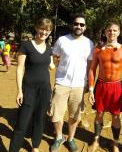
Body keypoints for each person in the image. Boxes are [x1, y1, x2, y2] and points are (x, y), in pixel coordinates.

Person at [9, 18, 55, 152]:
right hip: (28, 89)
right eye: (42, 28)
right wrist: (19, 91)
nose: (44, 32)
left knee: (40, 120)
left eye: (47, 30)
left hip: (45, 89)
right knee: (22, 123)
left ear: (50, 32)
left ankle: (35, 146)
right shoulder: (26, 45)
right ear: (36, 28)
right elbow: (20, 68)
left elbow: (51, 66)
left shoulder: (49, 48)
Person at [49, 14, 94, 152]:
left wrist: (88, 84)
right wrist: (53, 64)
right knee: (56, 114)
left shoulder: (89, 43)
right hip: (62, 82)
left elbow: (90, 65)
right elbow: (54, 56)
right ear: (72, 25)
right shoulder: (62, 40)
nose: (78, 26)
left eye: (81, 24)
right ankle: (59, 137)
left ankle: (71, 138)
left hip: (79, 85)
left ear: (85, 27)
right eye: (76, 24)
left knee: (75, 115)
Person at [88, 22, 122, 152]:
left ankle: (116, 143)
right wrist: (90, 89)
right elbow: (92, 69)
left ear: (119, 32)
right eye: (109, 30)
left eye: (114, 30)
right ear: (105, 32)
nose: (112, 33)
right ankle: (96, 139)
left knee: (116, 116)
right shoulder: (98, 49)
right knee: (99, 113)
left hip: (117, 87)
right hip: (101, 86)